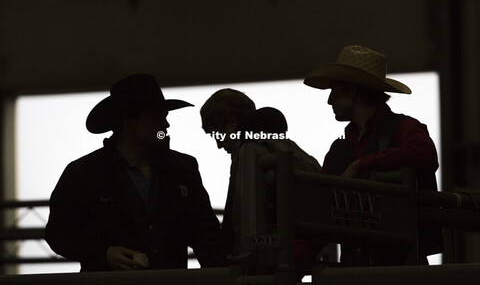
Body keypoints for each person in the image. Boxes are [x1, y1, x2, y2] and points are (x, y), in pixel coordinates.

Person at [45, 74, 226, 272]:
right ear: (129, 120)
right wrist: (103, 253)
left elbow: (206, 234)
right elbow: (58, 233)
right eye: (157, 116)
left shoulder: (183, 168)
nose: (165, 125)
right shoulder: (83, 174)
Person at [304, 45, 444, 266]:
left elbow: (425, 153)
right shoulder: (339, 150)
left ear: (352, 90)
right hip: (371, 267)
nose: (329, 100)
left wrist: (361, 164)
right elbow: (321, 211)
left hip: (399, 267)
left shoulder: (403, 127)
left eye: (334, 90)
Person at [200, 90, 322, 277]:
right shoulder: (301, 155)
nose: (218, 144)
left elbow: (249, 223)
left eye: (217, 134)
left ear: (231, 122)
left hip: (263, 268)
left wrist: (237, 264)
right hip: (300, 261)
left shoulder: (249, 149)